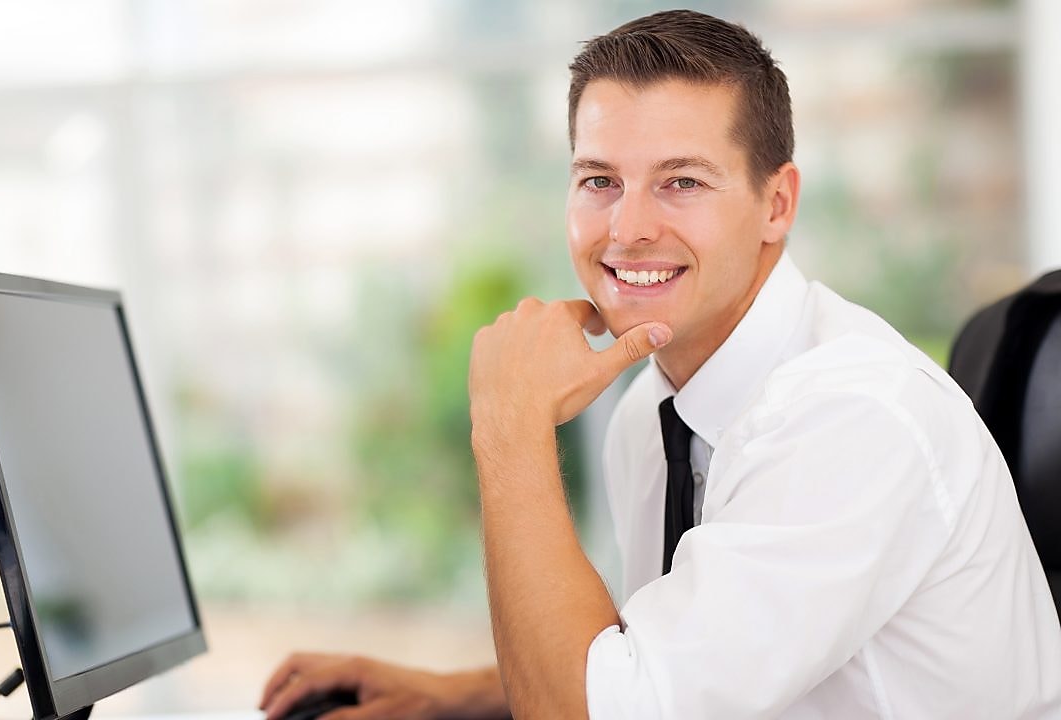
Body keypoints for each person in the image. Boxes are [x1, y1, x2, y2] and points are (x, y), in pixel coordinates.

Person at [259, 9, 1061, 719]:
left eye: (681, 181)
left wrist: (509, 426)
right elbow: (653, 664)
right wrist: (458, 694)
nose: (628, 228)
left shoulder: (851, 417)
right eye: (599, 181)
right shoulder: (654, 412)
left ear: (776, 204)